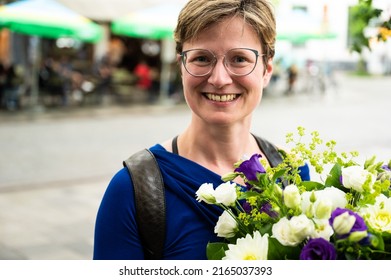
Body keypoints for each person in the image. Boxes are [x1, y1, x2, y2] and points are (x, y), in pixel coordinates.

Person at [93, 0, 309, 260]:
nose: (219, 79)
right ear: (181, 67)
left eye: (240, 59)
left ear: (267, 70)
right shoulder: (132, 190)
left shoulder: (295, 178)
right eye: (202, 58)